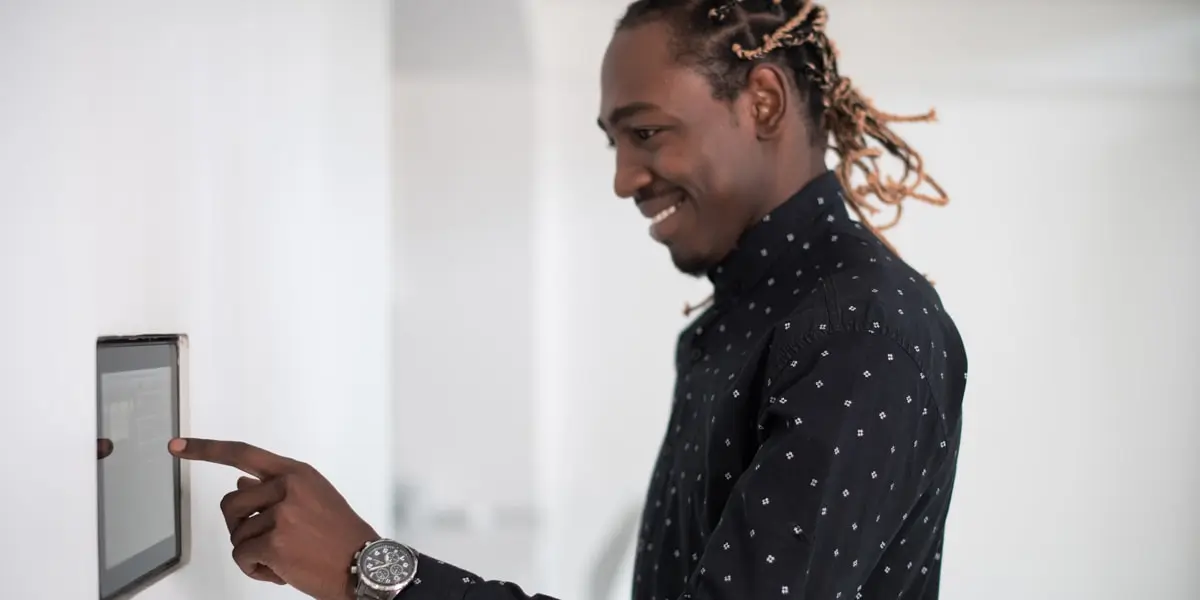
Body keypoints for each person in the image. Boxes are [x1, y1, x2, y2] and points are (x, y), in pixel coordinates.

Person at [171, 1, 967, 598]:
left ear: (762, 101)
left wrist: (368, 571)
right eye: (613, 142)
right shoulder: (744, 321)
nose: (622, 179)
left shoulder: (859, 325)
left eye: (645, 133)